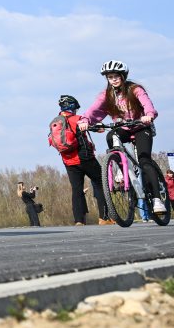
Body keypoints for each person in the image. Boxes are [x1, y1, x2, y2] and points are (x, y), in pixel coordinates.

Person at [78, 60, 163, 214]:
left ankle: (157, 200)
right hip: (123, 128)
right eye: (110, 77)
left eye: (116, 76)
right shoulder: (106, 95)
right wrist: (85, 121)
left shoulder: (135, 90)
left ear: (123, 76)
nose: (113, 80)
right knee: (111, 135)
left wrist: (149, 115)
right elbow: (94, 110)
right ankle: (120, 170)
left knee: (144, 161)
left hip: (141, 127)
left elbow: (147, 104)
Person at [51, 95, 110, 225]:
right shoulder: (76, 119)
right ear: (73, 107)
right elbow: (95, 127)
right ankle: (104, 218)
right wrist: (100, 127)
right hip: (84, 157)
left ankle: (79, 220)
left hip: (68, 161)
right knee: (101, 181)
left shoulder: (55, 122)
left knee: (77, 189)